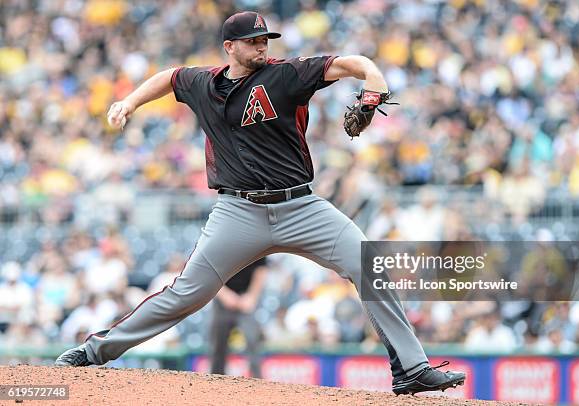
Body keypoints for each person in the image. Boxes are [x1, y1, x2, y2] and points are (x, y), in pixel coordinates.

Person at [55, 11, 465, 395]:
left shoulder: (285, 76)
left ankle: (411, 370)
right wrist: (129, 103)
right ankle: (94, 352)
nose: (261, 48)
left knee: (367, 262)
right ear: (229, 47)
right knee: (186, 294)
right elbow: (169, 77)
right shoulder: (203, 83)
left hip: (302, 207)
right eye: (252, 42)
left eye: (264, 40)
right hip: (238, 212)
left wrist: (374, 88)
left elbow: (354, 63)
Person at [210, 257, 267, 378]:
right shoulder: (220, 241)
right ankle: (215, 382)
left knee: (253, 340)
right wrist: (225, 295)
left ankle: (259, 385)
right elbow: (209, 270)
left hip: (246, 298)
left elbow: (261, 269)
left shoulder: (255, 240)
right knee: (218, 344)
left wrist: (252, 297)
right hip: (223, 298)